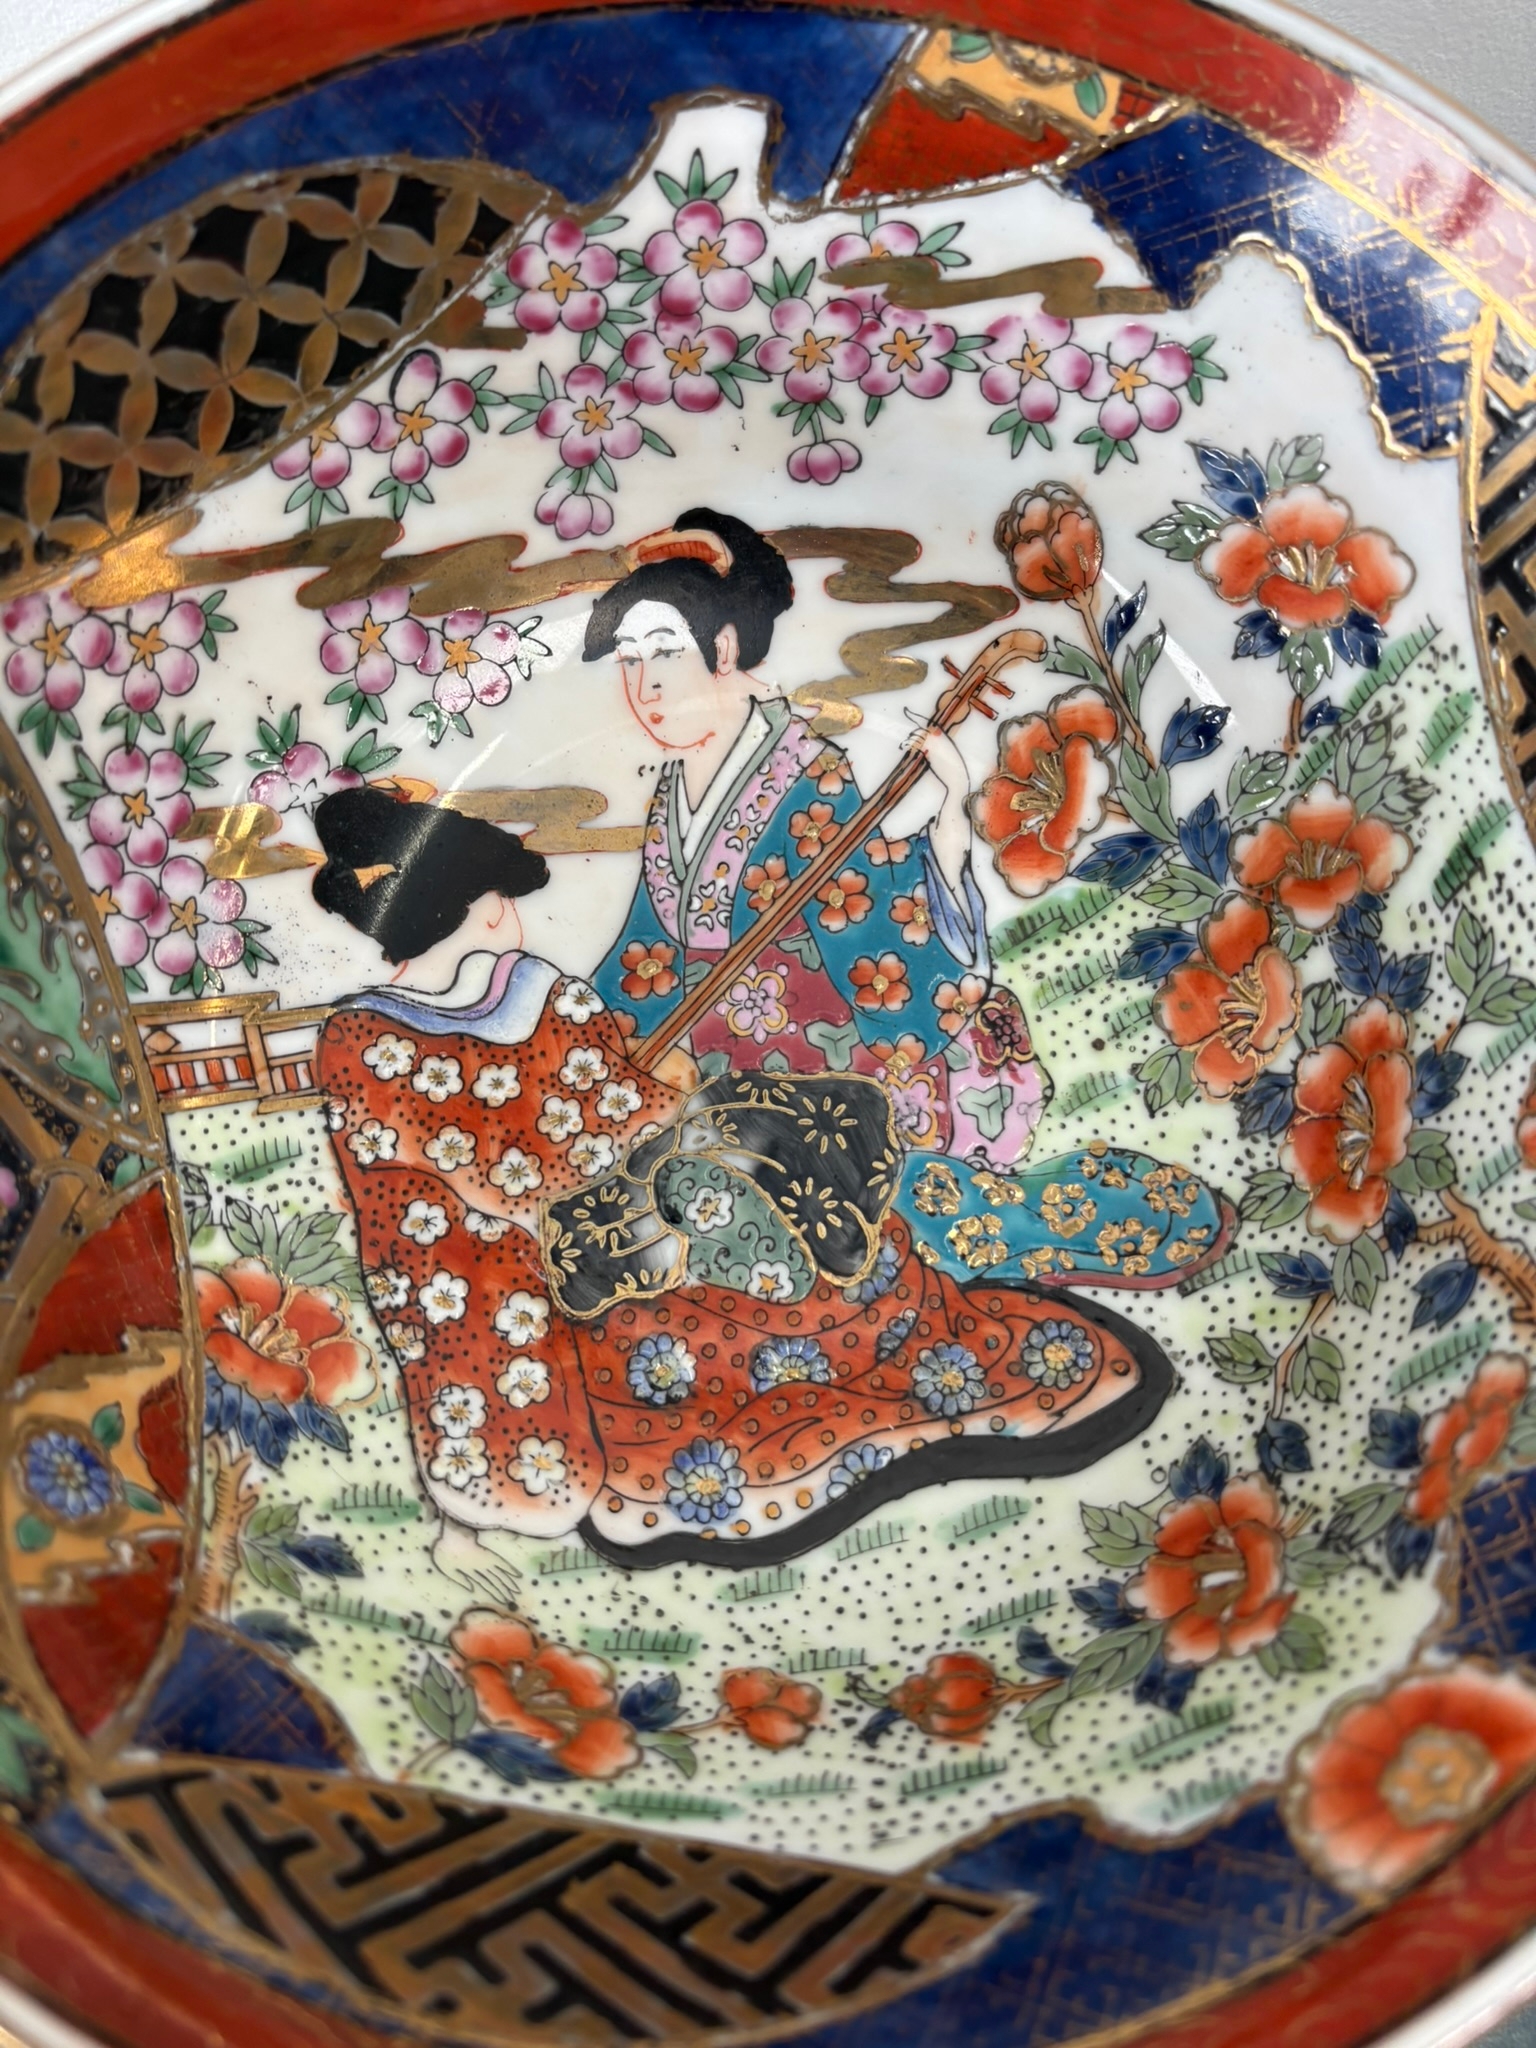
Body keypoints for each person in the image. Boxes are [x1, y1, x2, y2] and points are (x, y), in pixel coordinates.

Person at [313, 509, 1230, 1569]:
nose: (643, 686)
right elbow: (643, 959)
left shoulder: (812, 778)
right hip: (677, 1104)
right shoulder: (674, 793)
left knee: (774, 1229)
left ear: (729, 647)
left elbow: (876, 938)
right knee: (633, 1243)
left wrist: (939, 831)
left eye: (663, 653)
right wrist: (599, 1054)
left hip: (811, 1083)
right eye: (630, 661)